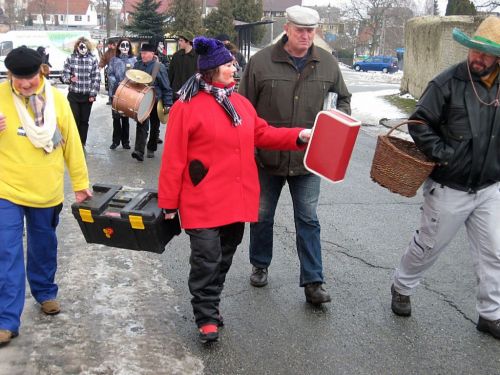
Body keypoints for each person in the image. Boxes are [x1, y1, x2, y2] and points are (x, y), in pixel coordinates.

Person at [158, 36, 312, 343]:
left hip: (234, 200)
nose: (234, 67)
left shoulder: (239, 104)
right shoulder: (186, 107)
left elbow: (263, 133)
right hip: (200, 199)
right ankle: (205, 317)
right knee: (206, 258)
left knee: (223, 258)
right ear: (213, 69)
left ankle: (211, 305)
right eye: (229, 64)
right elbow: (173, 158)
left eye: (233, 63)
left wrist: (299, 136)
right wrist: (168, 202)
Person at [390, 16, 500, 340]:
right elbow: (419, 122)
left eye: (486, 53)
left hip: (490, 186)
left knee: (495, 251)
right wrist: (445, 155)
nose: (477, 57)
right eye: (474, 50)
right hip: (449, 185)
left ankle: (491, 314)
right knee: (428, 246)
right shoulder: (447, 82)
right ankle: (401, 285)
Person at [238, 5, 351, 305]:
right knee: (261, 216)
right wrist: (247, 150)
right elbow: (243, 108)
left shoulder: (327, 63)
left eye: (311, 30)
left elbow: (343, 101)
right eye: (300, 29)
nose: (305, 35)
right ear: (286, 28)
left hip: (309, 160)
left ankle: (313, 281)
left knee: (308, 219)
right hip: (267, 157)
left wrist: (336, 126)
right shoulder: (261, 63)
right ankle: (259, 263)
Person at [0, 46, 92, 346]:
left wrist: (80, 183)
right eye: (18, 78)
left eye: (30, 77)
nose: (25, 84)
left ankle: (45, 292)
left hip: (45, 189)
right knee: (6, 251)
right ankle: (6, 319)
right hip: (6, 189)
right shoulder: (0, 98)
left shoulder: (57, 101)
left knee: (43, 244)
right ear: (10, 74)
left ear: (42, 71)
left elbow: (72, 144)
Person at [131, 43, 173, 161]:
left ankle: (151, 147)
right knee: (141, 123)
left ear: (152, 54)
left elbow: (166, 87)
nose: (143, 55)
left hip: (155, 100)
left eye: (145, 53)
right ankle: (139, 151)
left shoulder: (159, 67)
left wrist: (167, 104)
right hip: (141, 100)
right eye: (142, 53)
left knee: (155, 126)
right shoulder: (137, 65)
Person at [62, 37, 100, 148]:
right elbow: (64, 75)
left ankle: (81, 142)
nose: (82, 48)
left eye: (84, 46)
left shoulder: (92, 59)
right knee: (74, 119)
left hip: (87, 96)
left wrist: (93, 94)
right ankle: (74, 142)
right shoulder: (70, 58)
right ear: (77, 47)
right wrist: (69, 79)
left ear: (88, 47)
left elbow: (96, 78)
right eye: (80, 46)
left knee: (84, 120)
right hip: (74, 94)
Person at [108, 38, 137, 150]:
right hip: (116, 92)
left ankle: (125, 141)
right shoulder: (114, 60)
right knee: (116, 118)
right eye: (123, 45)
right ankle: (115, 141)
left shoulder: (134, 60)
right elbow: (109, 73)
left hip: (128, 93)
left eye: (127, 45)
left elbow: (136, 75)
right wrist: (116, 82)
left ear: (129, 47)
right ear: (119, 47)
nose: (125, 47)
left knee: (125, 118)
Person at [168, 31, 197, 101]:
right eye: (179, 40)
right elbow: (170, 74)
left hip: (192, 94)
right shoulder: (176, 56)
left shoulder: (198, 56)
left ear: (188, 41)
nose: (179, 42)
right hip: (176, 94)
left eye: (181, 40)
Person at [99, 40, 117, 105]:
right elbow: (103, 59)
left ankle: (116, 100)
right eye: (108, 45)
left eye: (109, 45)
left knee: (117, 85)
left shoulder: (118, 51)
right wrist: (100, 66)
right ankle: (110, 99)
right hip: (110, 70)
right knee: (110, 86)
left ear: (112, 44)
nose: (108, 46)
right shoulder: (107, 52)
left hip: (118, 70)